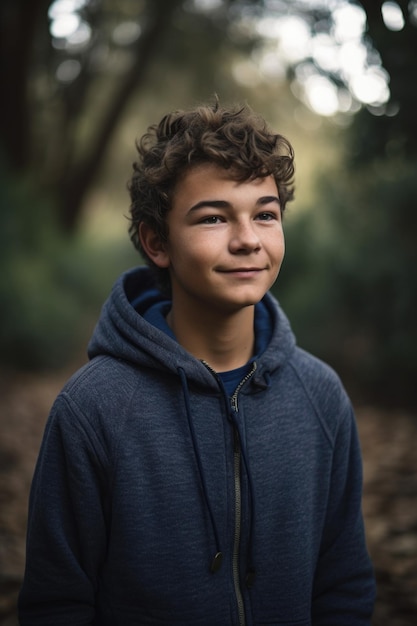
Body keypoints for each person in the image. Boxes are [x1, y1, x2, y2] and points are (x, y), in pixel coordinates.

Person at [19, 99, 375, 625]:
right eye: (213, 217)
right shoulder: (93, 409)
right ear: (157, 242)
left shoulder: (320, 397)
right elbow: (57, 603)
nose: (248, 239)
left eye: (265, 214)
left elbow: (342, 584)